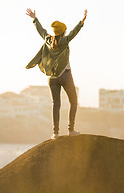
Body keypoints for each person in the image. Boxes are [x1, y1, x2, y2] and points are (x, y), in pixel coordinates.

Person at [25, 8, 87, 139]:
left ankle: (55, 133)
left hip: (51, 78)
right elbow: (73, 33)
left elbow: (41, 31)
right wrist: (82, 22)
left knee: (56, 105)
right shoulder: (63, 41)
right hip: (65, 75)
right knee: (74, 101)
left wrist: (35, 19)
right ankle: (71, 130)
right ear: (63, 32)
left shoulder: (48, 40)